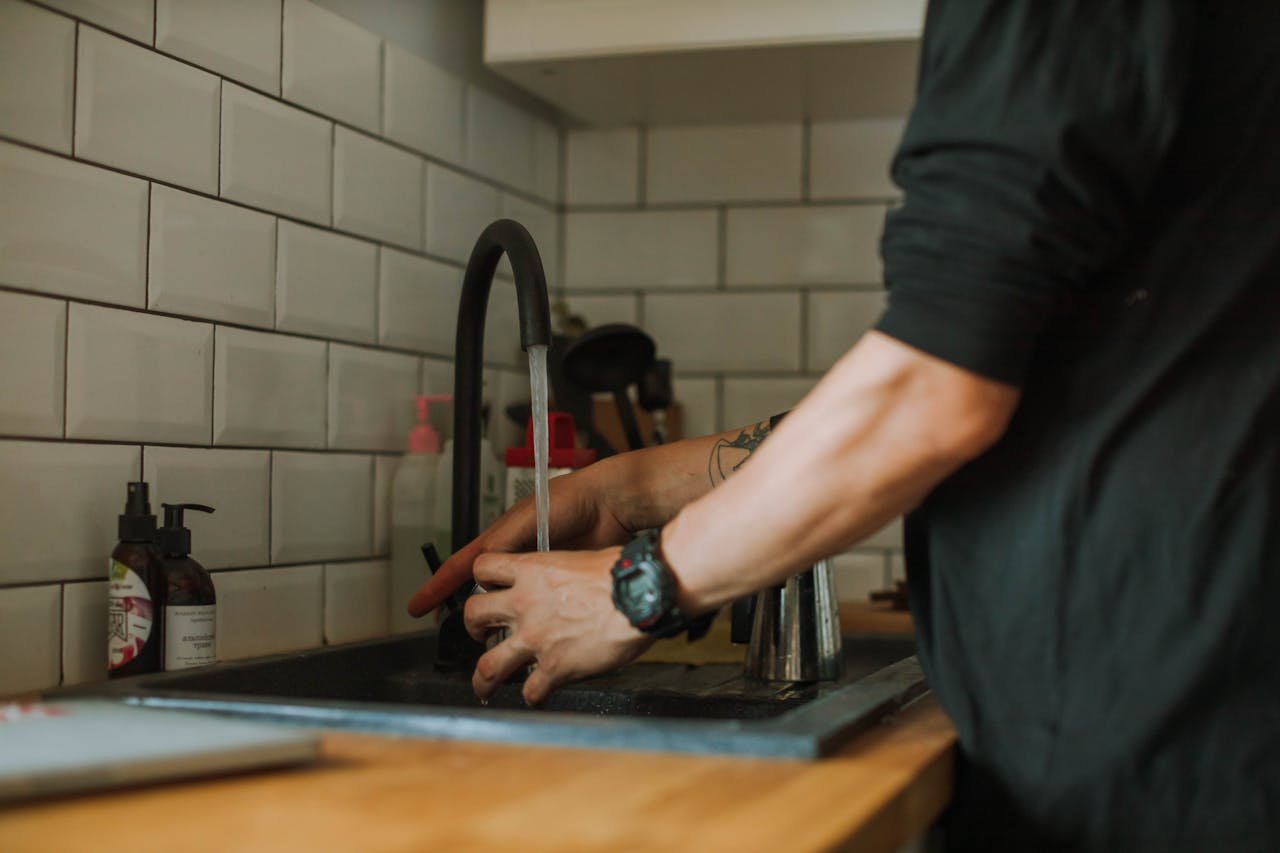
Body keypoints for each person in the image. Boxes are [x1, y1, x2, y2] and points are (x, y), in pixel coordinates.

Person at [411, 2, 1280, 849]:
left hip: (1166, 737)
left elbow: (936, 390)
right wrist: (630, 489)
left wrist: (636, 586)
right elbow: (1005, 373)